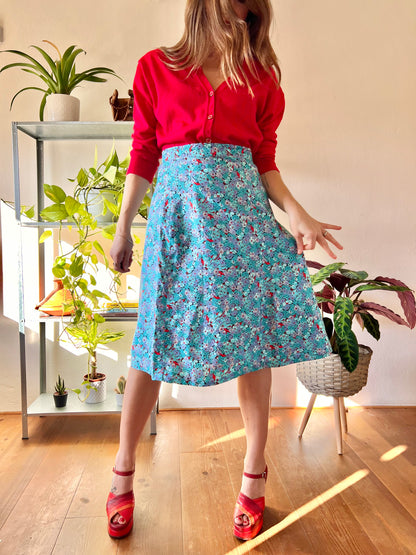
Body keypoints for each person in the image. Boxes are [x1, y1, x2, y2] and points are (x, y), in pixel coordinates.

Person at [107, 0, 343, 542]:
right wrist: (123, 227)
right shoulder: (154, 69)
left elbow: (264, 158)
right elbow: (144, 152)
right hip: (179, 221)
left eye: (252, 14)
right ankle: (122, 473)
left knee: (251, 341)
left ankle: (253, 478)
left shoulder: (259, 79)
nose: (244, 19)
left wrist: (298, 213)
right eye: (237, 8)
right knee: (152, 340)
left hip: (241, 219)